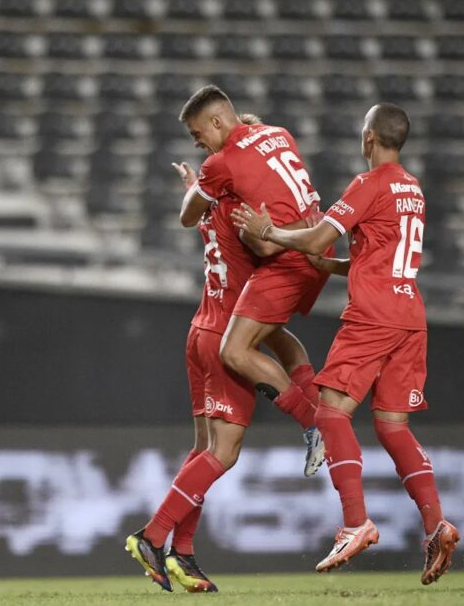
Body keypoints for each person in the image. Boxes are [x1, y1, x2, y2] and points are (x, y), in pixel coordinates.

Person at [232, 103, 460, 586]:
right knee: (393, 427)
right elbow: (380, 255)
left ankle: (355, 522)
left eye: (363, 132)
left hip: (373, 317)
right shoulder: (412, 189)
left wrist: (267, 232)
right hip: (410, 317)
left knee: (331, 413)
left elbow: (317, 236)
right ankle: (436, 524)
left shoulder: (368, 183)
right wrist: (331, 267)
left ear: (370, 138)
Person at [126, 114, 327, 593]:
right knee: (225, 454)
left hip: (200, 330)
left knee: (203, 451)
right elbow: (264, 246)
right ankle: (151, 537)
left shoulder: (213, 201)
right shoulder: (246, 215)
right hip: (222, 336)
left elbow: (192, 209)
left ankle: (184, 554)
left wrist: (194, 187)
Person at [176, 86, 332, 455]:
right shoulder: (279, 134)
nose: (199, 144)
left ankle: (317, 425)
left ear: (217, 121)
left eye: (199, 134)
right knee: (277, 335)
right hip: (317, 246)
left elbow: (188, 215)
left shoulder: (220, 167)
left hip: (286, 257)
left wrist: (198, 188)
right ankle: (323, 422)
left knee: (235, 352)